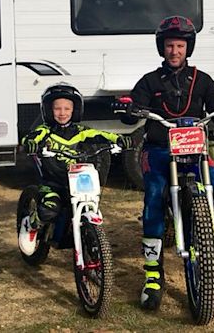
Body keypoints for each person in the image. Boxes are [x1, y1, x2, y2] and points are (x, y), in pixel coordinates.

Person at [119, 15, 214, 311]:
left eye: (180, 46)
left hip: (195, 151)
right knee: (154, 198)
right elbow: (133, 109)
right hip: (159, 150)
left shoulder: (202, 80)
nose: (174, 51)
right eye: (170, 45)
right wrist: (127, 110)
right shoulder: (149, 81)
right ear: (162, 47)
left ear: (187, 48)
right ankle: (153, 276)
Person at [17, 82, 133, 255]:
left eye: (67, 108)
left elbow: (102, 135)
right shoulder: (45, 131)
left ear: (75, 110)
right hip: (53, 182)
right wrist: (31, 144)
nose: (62, 113)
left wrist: (119, 139)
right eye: (57, 108)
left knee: (90, 202)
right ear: (48, 110)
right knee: (50, 208)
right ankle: (31, 224)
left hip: (76, 181)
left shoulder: (81, 131)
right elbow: (30, 138)